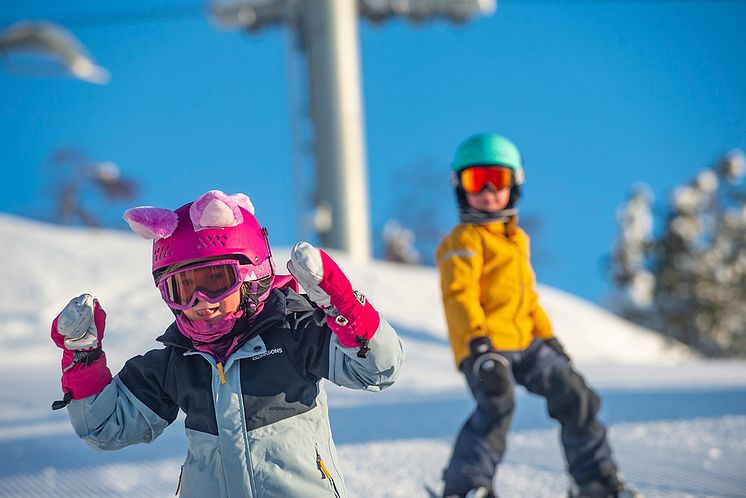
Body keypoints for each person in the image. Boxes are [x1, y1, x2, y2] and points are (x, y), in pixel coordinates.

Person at [50, 189, 405, 498]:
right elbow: (104, 428)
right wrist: (83, 356)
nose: (201, 301)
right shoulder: (179, 361)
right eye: (183, 288)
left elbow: (378, 369)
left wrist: (344, 306)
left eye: (216, 280)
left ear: (251, 275)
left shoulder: (294, 333)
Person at [435, 134, 640, 498]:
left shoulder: (517, 241)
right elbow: (458, 296)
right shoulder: (462, 240)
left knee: (576, 394)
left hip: (527, 344)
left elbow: (528, 299)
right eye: (474, 181)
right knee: (497, 406)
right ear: (459, 188)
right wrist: (476, 345)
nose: (485, 191)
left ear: (514, 184)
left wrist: (548, 338)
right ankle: (466, 486)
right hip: (486, 347)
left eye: (495, 180)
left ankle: (593, 480)